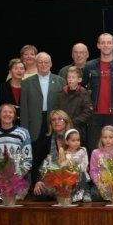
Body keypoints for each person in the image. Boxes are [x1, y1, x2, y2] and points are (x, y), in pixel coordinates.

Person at [20, 52, 66, 183]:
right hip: (35, 125)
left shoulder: (60, 81)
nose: (43, 64)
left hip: (54, 123)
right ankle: (36, 186)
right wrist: (24, 131)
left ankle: (55, 185)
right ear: (36, 64)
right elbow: (24, 109)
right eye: (40, 62)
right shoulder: (27, 83)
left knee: (55, 155)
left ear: (51, 64)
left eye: (46, 62)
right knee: (36, 156)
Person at [84, 33, 113, 153]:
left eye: (109, 42)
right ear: (98, 45)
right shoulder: (89, 66)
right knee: (94, 149)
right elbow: (82, 89)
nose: (106, 45)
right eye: (102, 43)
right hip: (94, 115)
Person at [0, 104, 33, 199]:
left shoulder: (23, 133)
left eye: (10, 112)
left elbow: (28, 160)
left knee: (16, 197)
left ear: (14, 116)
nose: (7, 114)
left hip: (19, 178)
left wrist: (16, 177)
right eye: (4, 112)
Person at [31, 110, 73, 200]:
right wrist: (38, 181)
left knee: (69, 191)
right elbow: (38, 163)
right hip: (52, 177)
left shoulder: (74, 138)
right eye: (53, 120)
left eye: (60, 119)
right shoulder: (45, 140)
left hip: (71, 178)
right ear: (50, 124)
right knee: (40, 194)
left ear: (66, 122)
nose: (56, 122)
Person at [55, 66, 92, 146]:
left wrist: (71, 121)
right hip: (62, 130)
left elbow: (87, 113)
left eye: (73, 77)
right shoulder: (61, 94)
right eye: (69, 77)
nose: (70, 79)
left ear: (79, 79)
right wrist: (61, 122)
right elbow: (56, 111)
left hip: (78, 130)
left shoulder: (84, 94)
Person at [89, 125, 113, 200]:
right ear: (101, 139)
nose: (107, 140)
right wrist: (99, 184)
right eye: (105, 137)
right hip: (101, 184)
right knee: (94, 195)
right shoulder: (95, 152)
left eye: (110, 137)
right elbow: (93, 171)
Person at [61, 128, 90, 202]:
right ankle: (73, 194)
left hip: (81, 174)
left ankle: (86, 193)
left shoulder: (82, 150)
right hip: (70, 175)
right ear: (66, 142)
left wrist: (77, 167)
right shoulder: (65, 153)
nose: (76, 142)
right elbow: (63, 166)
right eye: (73, 140)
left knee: (82, 173)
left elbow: (85, 165)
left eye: (78, 140)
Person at [0, 58, 24, 127]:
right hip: (5, 126)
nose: (19, 71)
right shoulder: (0, 88)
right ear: (10, 72)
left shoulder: (28, 88)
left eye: (21, 68)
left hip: (24, 127)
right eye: (16, 68)